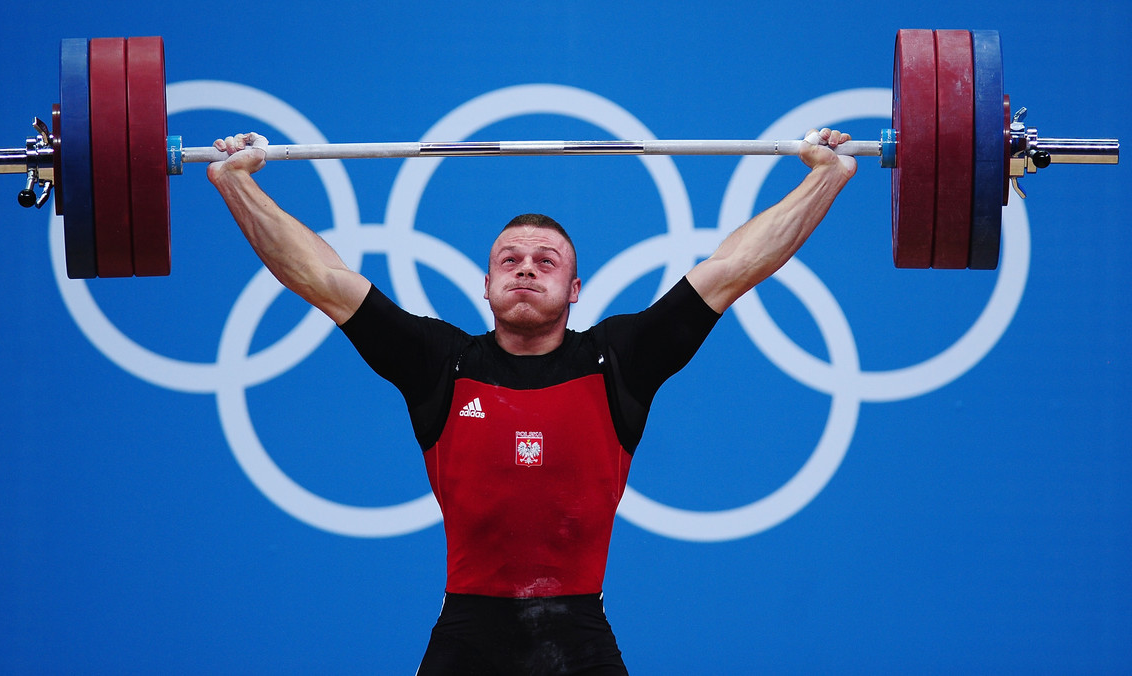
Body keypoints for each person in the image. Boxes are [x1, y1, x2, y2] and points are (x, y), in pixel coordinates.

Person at [208, 128, 856, 675]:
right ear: (484, 285)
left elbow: (733, 267)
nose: (525, 268)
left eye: (546, 261)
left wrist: (824, 178)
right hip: (466, 637)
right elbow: (323, 278)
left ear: (575, 290)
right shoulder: (440, 362)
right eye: (509, 259)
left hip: (578, 638)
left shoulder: (619, 360)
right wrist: (239, 183)